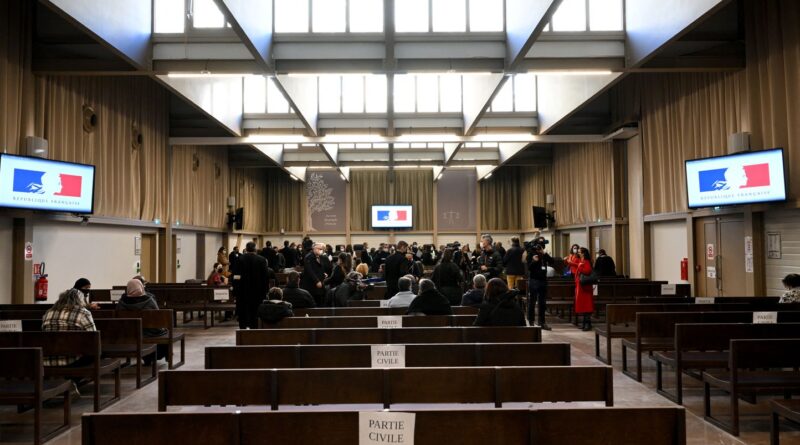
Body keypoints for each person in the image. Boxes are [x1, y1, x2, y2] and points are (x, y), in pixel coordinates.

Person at [117, 278, 169, 361]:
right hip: (150, 332)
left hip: (130, 332)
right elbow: (158, 318)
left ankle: (148, 357)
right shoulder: (149, 300)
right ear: (141, 287)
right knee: (164, 331)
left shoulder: (121, 302)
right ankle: (157, 356)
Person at [41, 288, 97, 366]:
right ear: (80, 300)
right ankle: (75, 376)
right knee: (98, 351)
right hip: (72, 361)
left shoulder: (48, 313)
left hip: (47, 360)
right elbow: (93, 337)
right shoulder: (83, 312)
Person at [235, 241, 270, 329]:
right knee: (256, 313)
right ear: (255, 249)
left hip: (243, 291)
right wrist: (265, 291)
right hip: (258, 292)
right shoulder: (262, 260)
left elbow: (236, 277)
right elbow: (265, 278)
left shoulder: (240, 259)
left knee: (243, 313)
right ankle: (255, 332)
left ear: (246, 249)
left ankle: (242, 332)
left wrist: (236, 290)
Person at [566, 247, 595, 331]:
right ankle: (584, 323)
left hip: (585, 287)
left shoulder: (586, 261)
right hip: (580, 285)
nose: (578, 252)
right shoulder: (581, 261)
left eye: (579, 252)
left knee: (587, 305)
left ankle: (588, 324)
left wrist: (579, 267)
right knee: (583, 305)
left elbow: (587, 271)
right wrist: (575, 264)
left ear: (583, 253)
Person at [526, 243, 552, 330]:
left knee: (542, 303)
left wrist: (544, 253)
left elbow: (552, 262)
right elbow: (529, 268)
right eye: (537, 248)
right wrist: (534, 261)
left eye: (540, 248)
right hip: (534, 280)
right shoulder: (530, 255)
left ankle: (542, 322)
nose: (538, 250)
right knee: (532, 302)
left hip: (543, 280)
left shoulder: (544, 255)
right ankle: (531, 322)